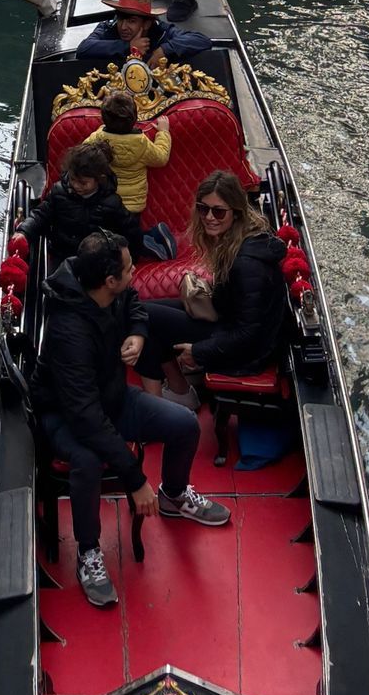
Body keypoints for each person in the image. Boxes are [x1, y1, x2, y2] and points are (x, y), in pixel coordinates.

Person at [34, 233, 231, 608]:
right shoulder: (68, 332)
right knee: (88, 460)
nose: (134, 271)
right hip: (66, 414)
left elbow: (135, 304)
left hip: (111, 398)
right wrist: (136, 479)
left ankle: (173, 494)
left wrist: (139, 336)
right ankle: (89, 551)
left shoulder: (114, 292)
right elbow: (86, 419)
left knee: (185, 425)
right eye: (128, 269)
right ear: (109, 280)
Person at [175, 171, 289, 381]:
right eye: (203, 209)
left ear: (235, 213)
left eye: (218, 212)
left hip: (244, 353)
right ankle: (176, 388)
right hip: (226, 324)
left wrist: (199, 350)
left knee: (151, 319)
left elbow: (248, 334)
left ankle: (177, 391)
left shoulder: (246, 264)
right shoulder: (236, 243)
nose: (209, 217)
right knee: (147, 313)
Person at [18, 139, 144, 263]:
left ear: (99, 179)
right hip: (61, 256)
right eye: (73, 179)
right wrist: (24, 232)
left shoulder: (112, 203)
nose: (76, 186)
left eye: (83, 183)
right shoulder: (59, 192)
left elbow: (130, 231)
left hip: (96, 263)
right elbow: (40, 215)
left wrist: (128, 261)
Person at [76, 0, 223, 68]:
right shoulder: (108, 27)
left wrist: (164, 50)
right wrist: (128, 47)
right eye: (121, 19)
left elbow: (202, 40)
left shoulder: (163, 31)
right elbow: (83, 49)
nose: (123, 27)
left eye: (132, 21)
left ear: (147, 24)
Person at [83, 87, 170, 219]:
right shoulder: (142, 143)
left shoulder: (97, 138)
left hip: (103, 202)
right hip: (133, 207)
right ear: (135, 117)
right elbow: (161, 158)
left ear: (103, 117)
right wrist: (163, 132)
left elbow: (82, 156)